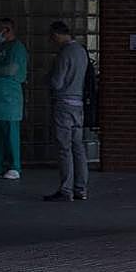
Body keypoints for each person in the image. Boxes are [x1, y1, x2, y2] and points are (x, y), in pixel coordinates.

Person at [43, 21, 89, 202]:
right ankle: (81, 188)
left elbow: (57, 82)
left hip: (64, 103)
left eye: (51, 36)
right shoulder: (81, 51)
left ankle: (66, 189)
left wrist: (47, 78)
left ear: (56, 34)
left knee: (64, 148)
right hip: (78, 103)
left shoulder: (64, 53)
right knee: (78, 146)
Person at [0, 18, 28, 181]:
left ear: (7, 30)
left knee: (11, 133)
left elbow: (11, 70)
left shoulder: (17, 48)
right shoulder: (1, 47)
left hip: (10, 98)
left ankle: (15, 166)